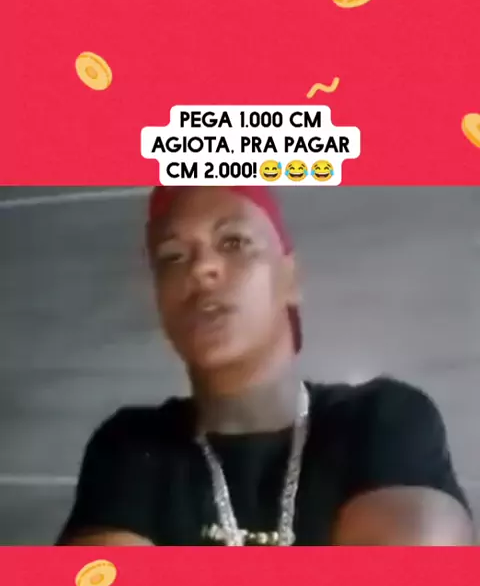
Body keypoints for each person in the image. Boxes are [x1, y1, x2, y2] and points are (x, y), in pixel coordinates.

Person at [57, 186, 474, 547]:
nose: (201, 268)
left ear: (290, 277)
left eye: (233, 242)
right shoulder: (132, 447)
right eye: (173, 256)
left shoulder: (381, 420)